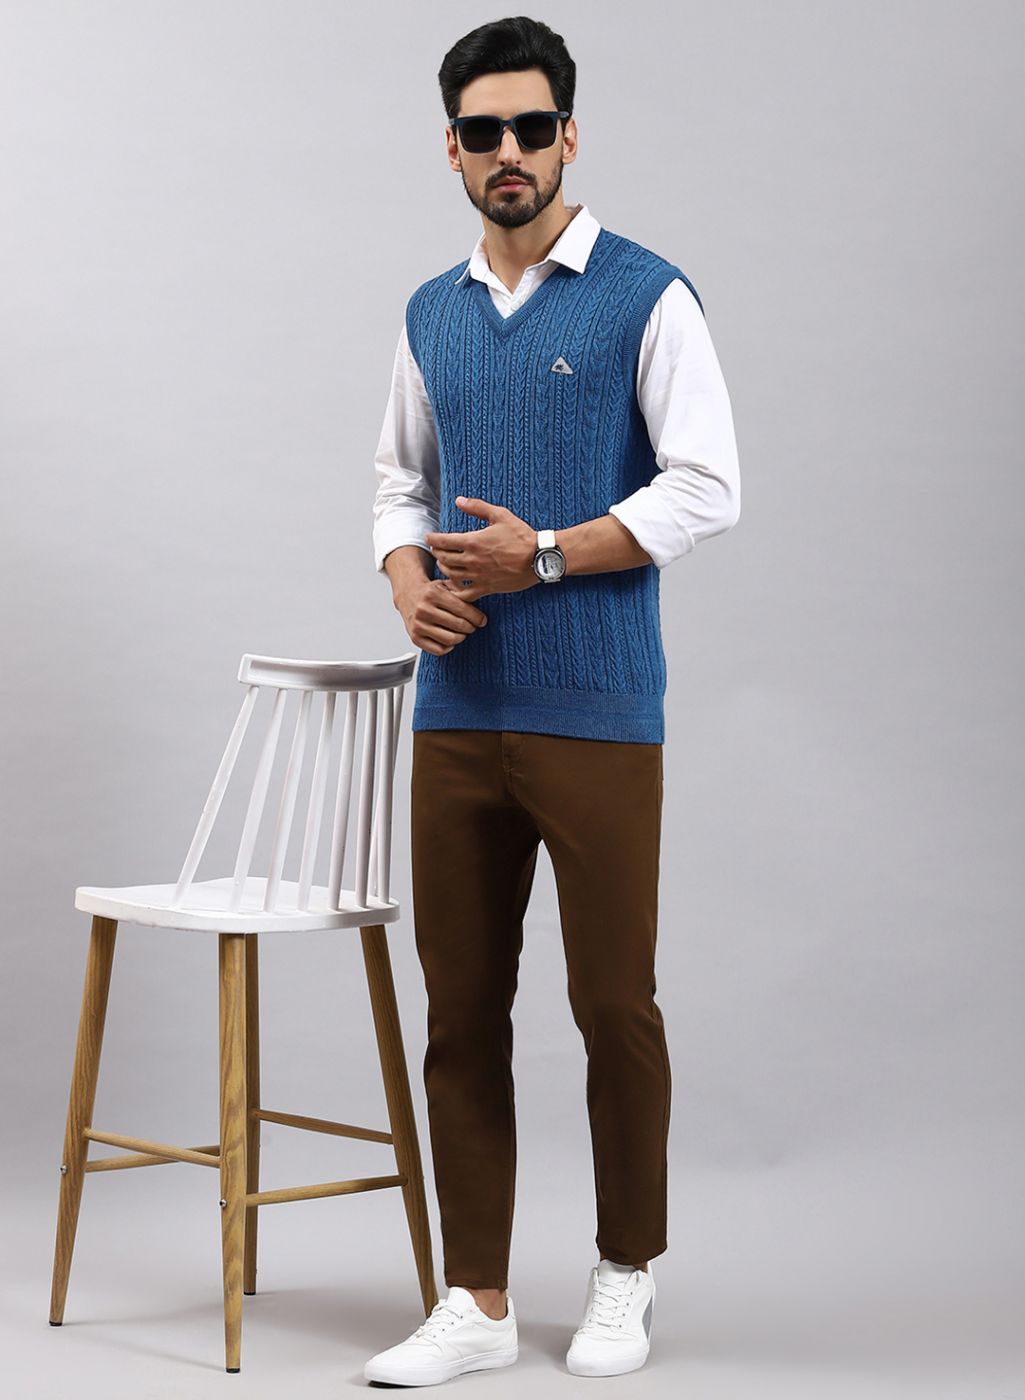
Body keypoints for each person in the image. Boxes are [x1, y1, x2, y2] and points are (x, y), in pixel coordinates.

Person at [364, 14, 740, 1387]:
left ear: (570, 136)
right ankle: (474, 1299)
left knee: (612, 1005)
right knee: (460, 1012)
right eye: (484, 132)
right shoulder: (429, 312)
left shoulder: (646, 294)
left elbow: (706, 488)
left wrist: (540, 556)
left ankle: (624, 1273)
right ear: (453, 149)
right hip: (456, 715)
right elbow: (397, 483)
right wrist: (408, 580)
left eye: (532, 127)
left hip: (597, 712)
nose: (509, 151)